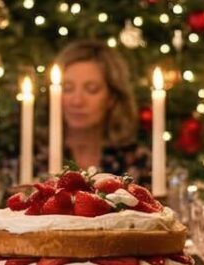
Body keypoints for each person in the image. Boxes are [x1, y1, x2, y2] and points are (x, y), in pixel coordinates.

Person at [51, 39, 152, 183]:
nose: (77, 101)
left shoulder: (137, 160)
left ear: (112, 97)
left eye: (92, 89)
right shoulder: (30, 156)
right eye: (67, 88)